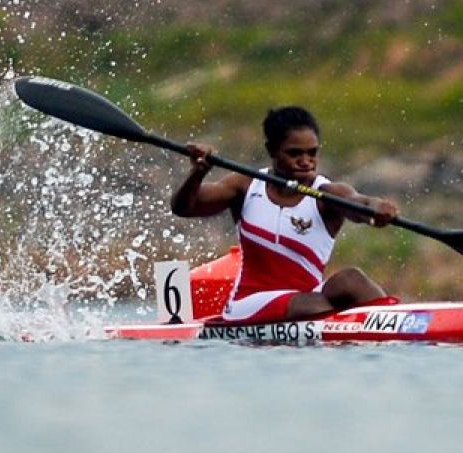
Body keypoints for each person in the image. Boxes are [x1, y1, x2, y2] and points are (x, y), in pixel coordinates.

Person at [170, 106, 400, 323]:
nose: (306, 162)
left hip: (308, 297)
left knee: (352, 279)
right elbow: (184, 208)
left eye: (312, 153)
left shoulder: (327, 194)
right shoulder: (246, 186)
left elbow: (359, 203)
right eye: (295, 153)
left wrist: (376, 209)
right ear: (272, 151)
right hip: (249, 304)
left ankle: (400, 323)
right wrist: (197, 173)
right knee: (315, 305)